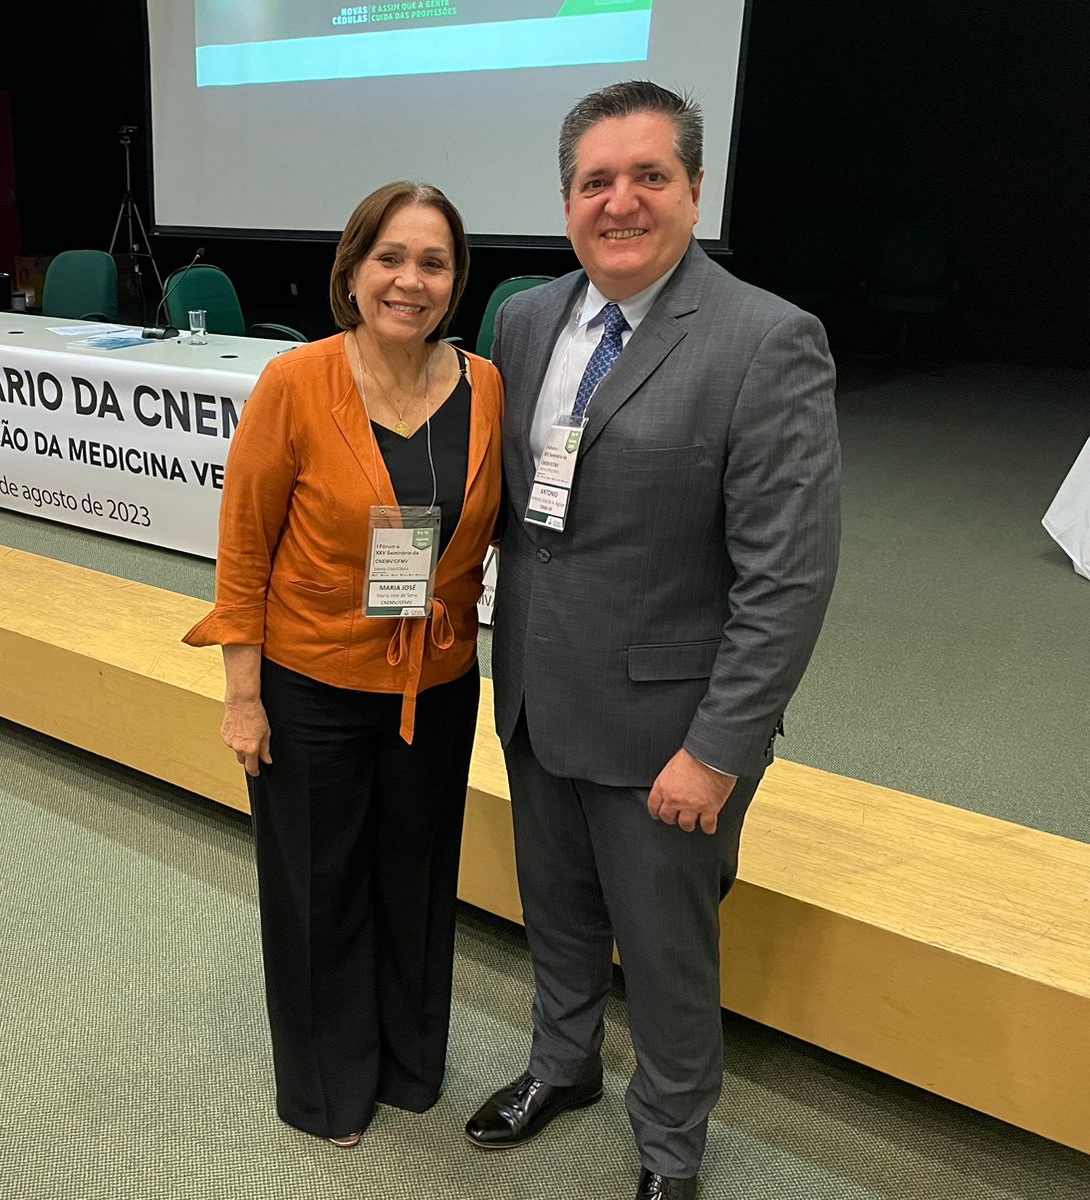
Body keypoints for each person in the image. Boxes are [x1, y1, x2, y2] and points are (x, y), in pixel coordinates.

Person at [465, 82, 841, 1200]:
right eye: (595, 181)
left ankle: (670, 1153)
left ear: (692, 189)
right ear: (566, 198)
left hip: (670, 729)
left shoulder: (766, 341)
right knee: (556, 911)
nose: (619, 202)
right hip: (536, 692)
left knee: (669, 959)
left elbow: (789, 578)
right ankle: (560, 1064)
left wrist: (718, 748)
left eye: (648, 177)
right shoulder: (526, 319)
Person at [183, 182, 503, 1148]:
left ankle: (410, 1067)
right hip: (312, 683)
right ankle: (328, 1091)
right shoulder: (297, 382)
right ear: (353, 270)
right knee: (319, 892)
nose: (411, 280)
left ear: (456, 281)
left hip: (437, 684)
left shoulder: (486, 386)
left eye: (434, 263)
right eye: (390, 258)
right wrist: (244, 698)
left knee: (416, 880)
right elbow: (244, 550)